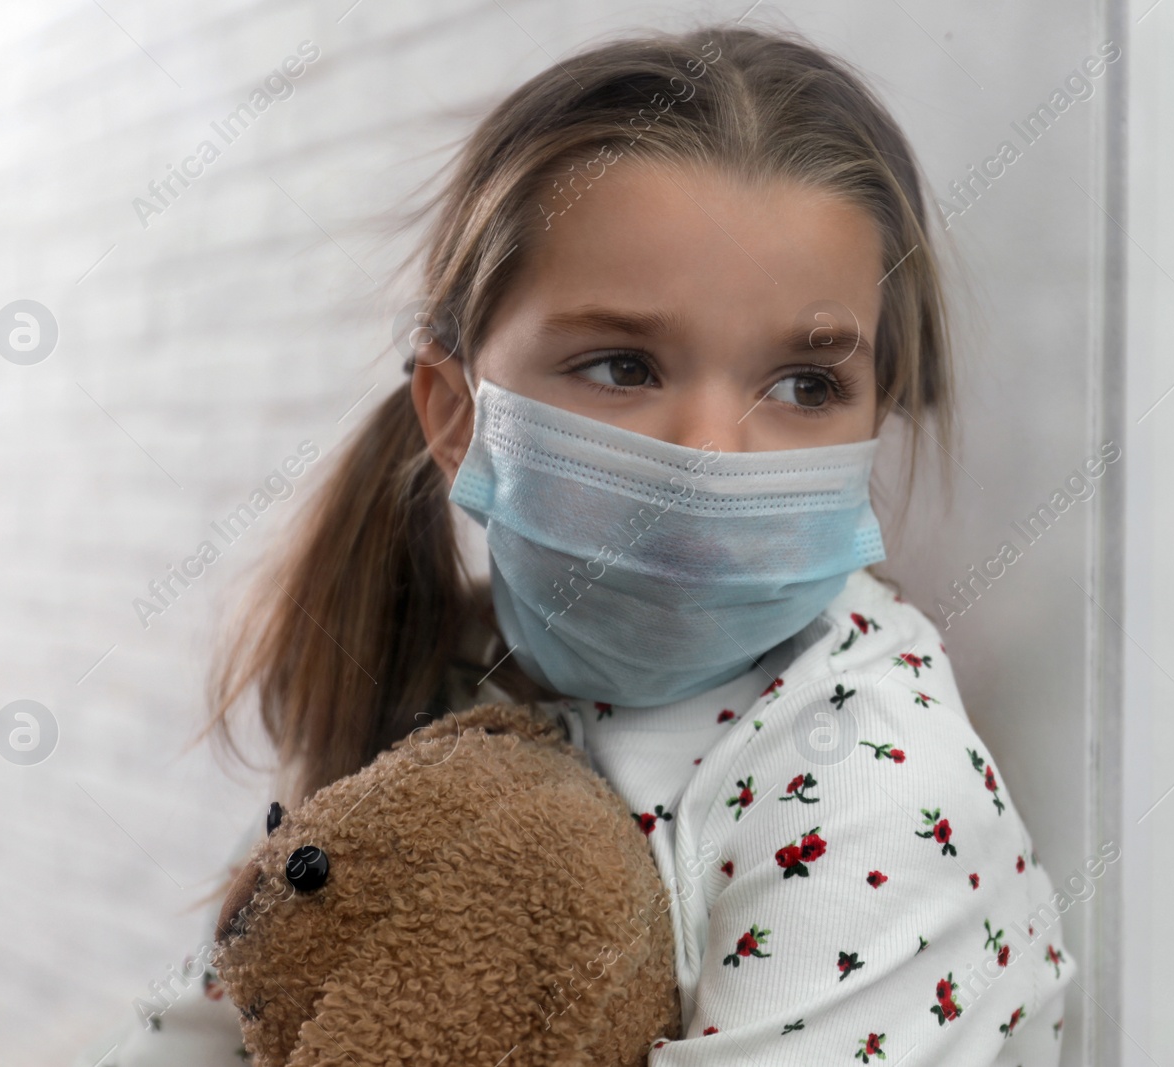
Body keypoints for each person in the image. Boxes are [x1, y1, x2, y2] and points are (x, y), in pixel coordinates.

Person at [76, 20, 1076, 1065]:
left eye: (804, 384)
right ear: (457, 413)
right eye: (623, 366)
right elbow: (198, 1032)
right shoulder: (427, 684)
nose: (709, 456)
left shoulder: (876, 786)